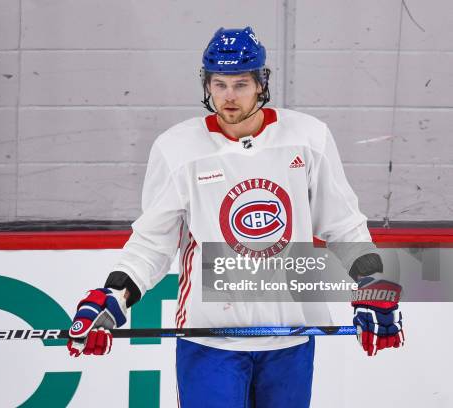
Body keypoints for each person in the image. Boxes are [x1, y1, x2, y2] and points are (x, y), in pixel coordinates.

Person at [66, 26, 404, 407]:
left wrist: (371, 281)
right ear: (206, 84)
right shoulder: (177, 149)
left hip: (291, 338)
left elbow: (343, 224)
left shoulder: (309, 137)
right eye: (219, 84)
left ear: (261, 84)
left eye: (240, 84)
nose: (228, 97)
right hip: (210, 341)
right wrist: (114, 294)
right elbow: (152, 242)